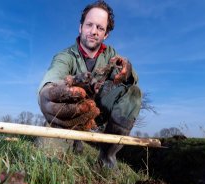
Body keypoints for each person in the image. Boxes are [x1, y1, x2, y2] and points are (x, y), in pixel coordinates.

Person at [38, 1, 141, 168]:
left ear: (106, 34)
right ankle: (73, 139)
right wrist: (46, 93)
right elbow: (53, 76)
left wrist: (128, 71)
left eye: (100, 28)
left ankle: (106, 160)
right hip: (68, 114)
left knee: (133, 92)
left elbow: (128, 82)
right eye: (89, 25)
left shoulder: (111, 55)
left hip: (97, 111)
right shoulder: (65, 56)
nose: (93, 31)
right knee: (48, 159)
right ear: (80, 27)